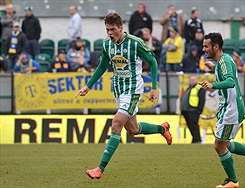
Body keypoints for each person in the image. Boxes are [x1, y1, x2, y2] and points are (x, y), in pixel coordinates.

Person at [75, 12, 172, 179]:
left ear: (121, 27)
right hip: (119, 90)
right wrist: (87, 86)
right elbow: (102, 66)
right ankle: (162, 129)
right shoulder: (107, 45)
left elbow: (153, 61)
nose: (110, 33)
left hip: (133, 89)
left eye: (113, 29)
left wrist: (154, 87)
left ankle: (100, 169)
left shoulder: (135, 43)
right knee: (133, 130)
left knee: (116, 123)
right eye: (107, 30)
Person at [199, 32, 245, 188]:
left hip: (232, 109)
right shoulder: (223, 61)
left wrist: (213, 85)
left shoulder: (224, 62)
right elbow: (225, 72)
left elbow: (230, 81)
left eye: (206, 46)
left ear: (215, 47)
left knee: (219, 146)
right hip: (227, 107)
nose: (203, 49)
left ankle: (233, 181)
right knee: (225, 144)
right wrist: (214, 67)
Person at [181, 76, 205, 143]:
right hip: (187, 110)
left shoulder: (199, 88)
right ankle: (194, 139)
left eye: (194, 80)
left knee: (194, 125)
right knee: (190, 125)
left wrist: (199, 110)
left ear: (197, 80)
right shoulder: (189, 88)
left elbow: (202, 99)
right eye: (191, 80)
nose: (192, 81)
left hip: (193, 110)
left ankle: (197, 139)